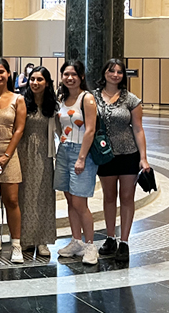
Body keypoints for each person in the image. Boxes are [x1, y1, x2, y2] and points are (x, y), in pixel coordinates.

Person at [95, 58, 150, 262]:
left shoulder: (131, 100)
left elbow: (138, 128)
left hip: (128, 153)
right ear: (105, 73)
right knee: (109, 197)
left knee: (126, 197)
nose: (115, 75)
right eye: (111, 71)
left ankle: (124, 241)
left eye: (119, 72)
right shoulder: (93, 97)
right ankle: (110, 237)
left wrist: (143, 158)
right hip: (104, 155)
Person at [55, 59, 99, 265]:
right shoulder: (61, 98)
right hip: (64, 151)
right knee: (70, 200)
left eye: (74, 74)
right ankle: (76, 240)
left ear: (81, 77)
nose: (69, 78)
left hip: (82, 152)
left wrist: (81, 157)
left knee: (80, 202)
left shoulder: (87, 98)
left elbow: (90, 129)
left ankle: (90, 245)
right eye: (66, 74)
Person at [0, 58, 27, 264]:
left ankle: (16, 244)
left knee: (11, 200)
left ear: (8, 74)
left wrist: (7, 155)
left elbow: (19, 129)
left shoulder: (17, 99)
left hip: (9, 153)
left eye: (1, 71)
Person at [18, 66, 58, 257]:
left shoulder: (53, 105)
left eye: (39, 79)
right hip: (23, 151)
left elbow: (62, 129)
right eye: (32, 79)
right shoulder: (22, 102)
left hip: (44, 152)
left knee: (43, 194)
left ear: (47, 83)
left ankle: (42, 240)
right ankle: (26, 238)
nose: (35, 83)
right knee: (24, 194)